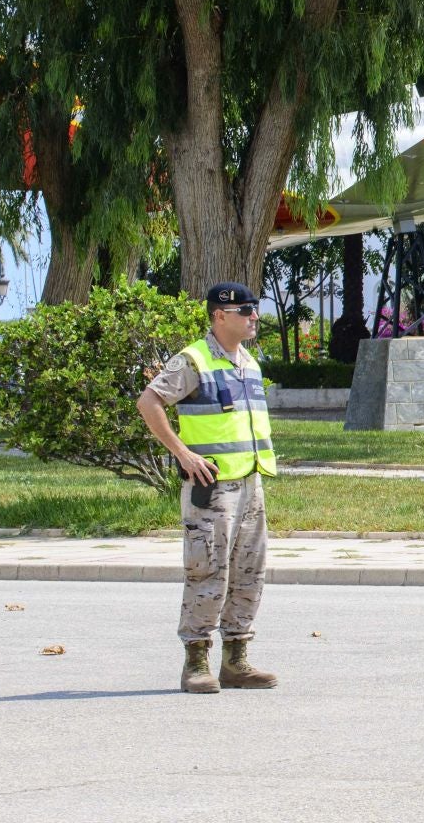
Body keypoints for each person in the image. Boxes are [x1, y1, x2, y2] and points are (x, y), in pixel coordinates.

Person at [136, 282, 280, 694]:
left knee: (249, 574)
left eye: (254, 309)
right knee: (207, 570)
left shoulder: (248, 361)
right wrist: (183, 454)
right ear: (219, 316)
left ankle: (236, 660)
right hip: (212, 489)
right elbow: (149, 403)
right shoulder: (194, 360)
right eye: (244, 311)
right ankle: (196, 661)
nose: (253, 317)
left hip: (250, 485)